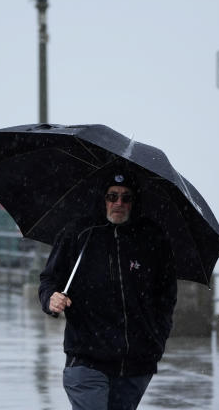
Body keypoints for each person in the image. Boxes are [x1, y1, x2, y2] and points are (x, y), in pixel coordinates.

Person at [39, 170, 177, 410]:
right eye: (112, 196)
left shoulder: (152, 238)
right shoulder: (79, 233)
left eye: (126, 197)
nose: (119, 203)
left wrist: (156, 340)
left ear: (135, 202)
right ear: (102, 198)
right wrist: (51, 299)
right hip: (86, 358)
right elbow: (49, 279)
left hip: (136, 363)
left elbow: (166, 295)